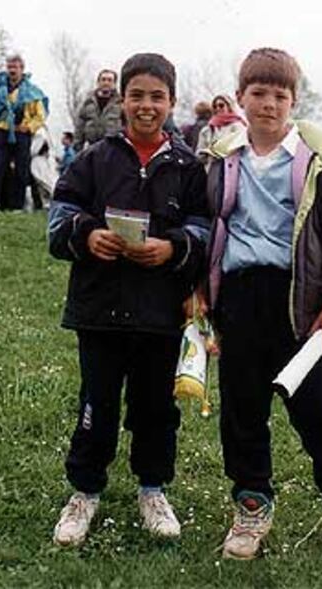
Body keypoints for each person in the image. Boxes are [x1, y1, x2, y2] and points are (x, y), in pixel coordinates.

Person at [205, 48, 322, 563]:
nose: (269, 104)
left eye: (280, 95)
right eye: (258, 93)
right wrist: (197, 288)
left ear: (293, 102)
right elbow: (205, 222)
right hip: (237, 300)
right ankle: (251, 504)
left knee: (318, 411)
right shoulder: (219, 156)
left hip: (297, 303)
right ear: (240, 98)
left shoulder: (319, 160)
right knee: (242, 411)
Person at [48, 52, 210, 548]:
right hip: (99, 312)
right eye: (136, 95)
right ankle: (84, 491)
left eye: (156, 96)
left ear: (172, 102)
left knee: (155, 408)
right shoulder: (95, 158)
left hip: (160, 316)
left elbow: (205, 229)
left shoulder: (188, 167)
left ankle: (153, 489)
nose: (146, 105)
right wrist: (87, 234)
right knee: (95, 404)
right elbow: (59, 217)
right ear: (121, 99)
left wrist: (173, 247)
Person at [0, 53, 48, 210]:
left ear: (22, 69)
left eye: (15, 67)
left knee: (21, 170)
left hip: (22, 134)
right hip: (0, 132)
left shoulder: (32, 91)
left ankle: (17, 206)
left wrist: (29, 127)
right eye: (9, 67)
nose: (12, 70)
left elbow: (40, 115)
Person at [73, 69, 122, 152]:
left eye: (110, 80)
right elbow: (80, 126)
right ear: (98, 82)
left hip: (114, 149)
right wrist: (77, 147)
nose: (106, 83)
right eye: (103, 79)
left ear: (114, 84)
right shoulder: (88, 102)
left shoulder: (121, 103)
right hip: (92, 148)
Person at [196, 94, 246, 167]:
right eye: (215, 106)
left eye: (221, 105)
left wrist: (215, 150)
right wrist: (204, 154)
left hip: (232, 168)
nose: (218, 108)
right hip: (211, 170)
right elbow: (199, 152)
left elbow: (240, 149)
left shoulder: (238, 126)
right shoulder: (207, 130)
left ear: (229, 107)